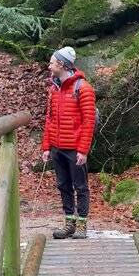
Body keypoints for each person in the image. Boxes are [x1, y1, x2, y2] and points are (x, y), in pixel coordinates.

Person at [40, 46, 96, 239]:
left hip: (74, 148)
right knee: (63, 185)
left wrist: (83, 150)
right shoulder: (53, 89)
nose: (49, 66)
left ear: (61, 65)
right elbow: (49, 119)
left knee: (80, 186)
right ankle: (69, 223)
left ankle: (82, 225)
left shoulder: (84, 88)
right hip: (57, 147)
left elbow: (88, 121)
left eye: (52, 63)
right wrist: (46, 146)